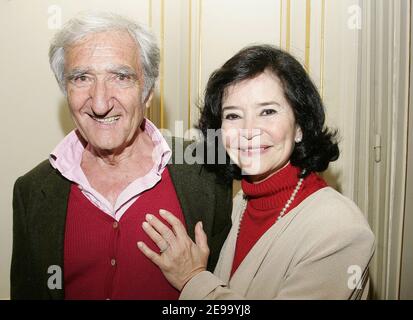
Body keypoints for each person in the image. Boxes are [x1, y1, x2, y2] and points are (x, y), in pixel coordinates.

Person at [10, 11, 232, 300]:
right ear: (66, 90)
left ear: (148, 92)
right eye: (81, 77)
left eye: (121, 76)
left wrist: (196, 281)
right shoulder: (31, 191)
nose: (100, 102)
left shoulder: (207, 171)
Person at [138, 45, 376, 299]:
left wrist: (193, 279)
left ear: (299, 126)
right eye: (233, 116)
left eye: (268, 111)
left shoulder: (339, 228)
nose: (248, 130)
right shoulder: (241, 203)